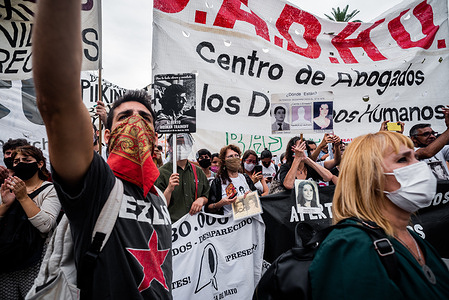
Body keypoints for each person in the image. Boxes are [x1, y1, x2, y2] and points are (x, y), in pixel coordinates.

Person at [32, 1, 173, 297]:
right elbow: (57, 102)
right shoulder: (96, 186)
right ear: (107, 134)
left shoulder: (158, 195)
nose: (135, 122)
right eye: (124, 117)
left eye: (144, 118)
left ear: (155, 137)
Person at [309, 131, 449, 299]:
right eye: (403, 159)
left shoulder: (410, 237)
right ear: (370, 176)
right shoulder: (351, 245)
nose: (419, 166)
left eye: (416, 158)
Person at [0, 145, 60, 299]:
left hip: (35, 260)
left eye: (26, 160)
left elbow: (46, 226)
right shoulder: (7, 188)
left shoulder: (49, 190)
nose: (20, 164)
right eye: (16, 161)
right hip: (7, 259)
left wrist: (23, 197)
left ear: (40, 164)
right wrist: (5, 205)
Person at [156, 134, 209, 223]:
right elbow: (159, 205)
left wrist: (202, 200)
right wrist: (169, 189)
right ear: (171, 147)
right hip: (172, 227)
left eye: (186, 144)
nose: (182, 147)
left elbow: (206, 195)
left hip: (195, 226)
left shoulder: (198, 171)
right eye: (178, 143)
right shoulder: (161, 173)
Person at [206, 145, 258, 215]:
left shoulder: (245, 178)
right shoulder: (218, 181)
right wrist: (221, 203)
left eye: (236, 155)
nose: (234, 158)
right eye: (230, 156)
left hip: (248, 222)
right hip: (229, 223)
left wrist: (252, 196)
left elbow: (258, 198)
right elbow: (209, 207)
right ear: (224, 161)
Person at [409, 107, 449, 180]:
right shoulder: (410, 151)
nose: (432, 136)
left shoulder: (441, 149)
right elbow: (427, 153)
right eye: (426, 134)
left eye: (433, 133)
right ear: (414, 139)